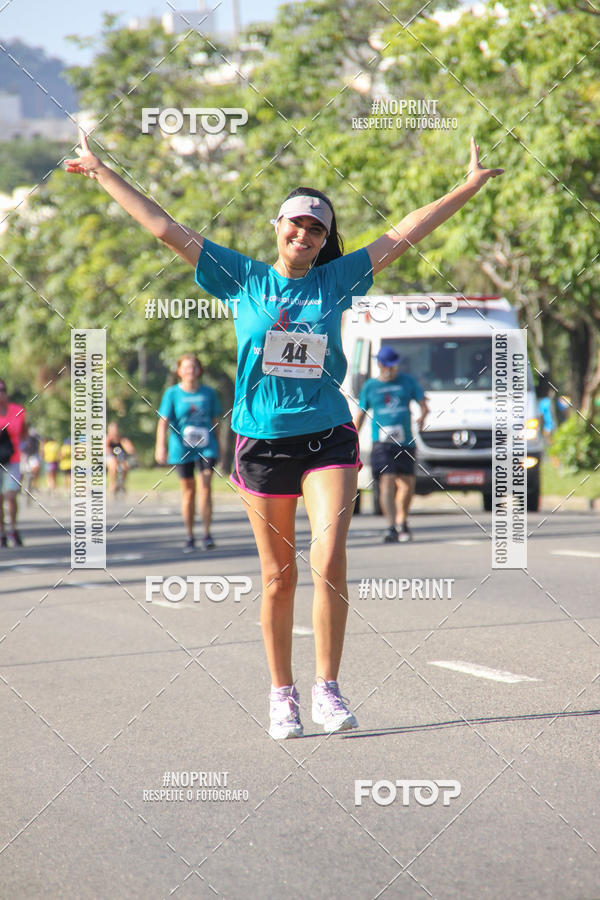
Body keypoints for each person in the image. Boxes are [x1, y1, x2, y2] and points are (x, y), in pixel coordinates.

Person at [66, 132, 503, 738]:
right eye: (296, 226)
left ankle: (328, 688)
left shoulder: (339, 280)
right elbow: (165, 228)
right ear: (278, 228)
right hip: (261, 441)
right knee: (279, 577)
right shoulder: (240, 277)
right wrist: (101, 172)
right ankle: (282, 693)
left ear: (325, 241)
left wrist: (467, 185)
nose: (304, 237)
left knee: (328, 558)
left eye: (316, 230)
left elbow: (405, 233)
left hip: (327, 434)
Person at [354, 348, 429, 543]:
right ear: (379, 365)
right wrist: (352, 437)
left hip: (405, 442)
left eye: (393, 366)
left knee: (407, 484)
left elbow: (423, 403)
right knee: (387, 482)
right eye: (386, 366)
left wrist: (423, 415)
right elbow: (361, 413)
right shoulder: (370, 386)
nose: (390, 370)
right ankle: (390, 526)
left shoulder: (407, 381)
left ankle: (401, 521)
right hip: (382, 444)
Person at [155, 354, 221, 551]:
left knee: (206, 485)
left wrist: (219, 445)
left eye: (193, 367)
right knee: (189, 491)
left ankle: (207, 534)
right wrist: (160, 446)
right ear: (179, 371)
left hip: (206, 446)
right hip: (181, 448)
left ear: (199, 371)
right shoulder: (172, 393)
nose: (190, 371)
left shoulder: (209, 393)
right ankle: (190, 535)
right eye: (186, 367)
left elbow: (215, 420)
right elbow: (163, 421)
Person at [0, 378, 27, 547]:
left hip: (14, 459)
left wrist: (25, 453)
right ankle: (1, 532)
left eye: (2, 389)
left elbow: (24, 434)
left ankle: (13, 527)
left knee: (11, 496)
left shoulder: (18, 411)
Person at [105, 421, 136, 496]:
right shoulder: (107, 439)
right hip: (109, 458)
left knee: (125, 466)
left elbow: (131, 450)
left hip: (121, 458)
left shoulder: (122, 439)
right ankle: (113, 484)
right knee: (113, 464)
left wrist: (123, 443)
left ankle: (122, 484)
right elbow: (104, 450)